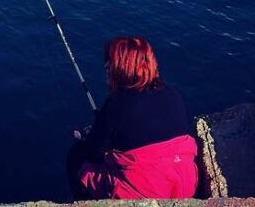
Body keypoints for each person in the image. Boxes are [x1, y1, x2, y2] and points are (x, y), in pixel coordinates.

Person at [66, 36, 198, 199]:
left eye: (111, 62)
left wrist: (86, 138)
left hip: (149, 192)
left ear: (124, 67)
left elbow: (94, 153)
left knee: (77, 157)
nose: (106, 66)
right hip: (183, 183)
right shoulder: (173, 94)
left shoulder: (116, 104)